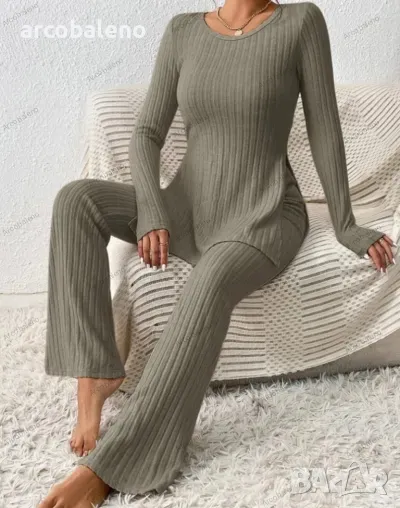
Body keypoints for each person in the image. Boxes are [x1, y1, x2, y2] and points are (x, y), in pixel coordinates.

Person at [39, 1, 396, 506]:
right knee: (77, 200)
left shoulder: (301, 23)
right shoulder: (183, 31)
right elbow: (146, 132)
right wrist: (152, 208)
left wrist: (345, 224)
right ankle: (95, 374)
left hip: (262, 213)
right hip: (186, 204)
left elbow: (324, 126)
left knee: (210, 277)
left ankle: (115, 464)